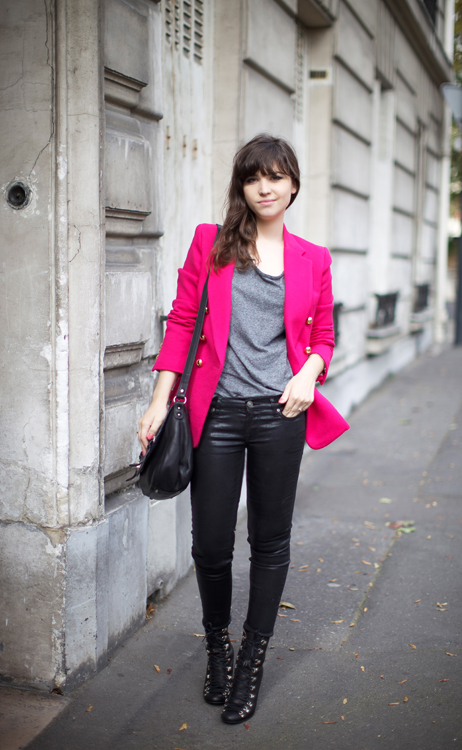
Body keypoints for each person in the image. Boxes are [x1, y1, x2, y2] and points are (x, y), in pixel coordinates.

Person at [138, 133, 349, 724]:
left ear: (293, 185)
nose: (265, 187)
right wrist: (160, 401)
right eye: (254, 177)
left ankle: (252, 659)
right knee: (210, 542)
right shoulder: (212, 243)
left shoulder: (314, 258)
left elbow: (324, 336)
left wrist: (309, 372)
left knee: (269, 540)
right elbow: (183, 321)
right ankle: (218, 648)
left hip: (281, 412)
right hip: (218, 412)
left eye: (276, 176)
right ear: (242, 186)